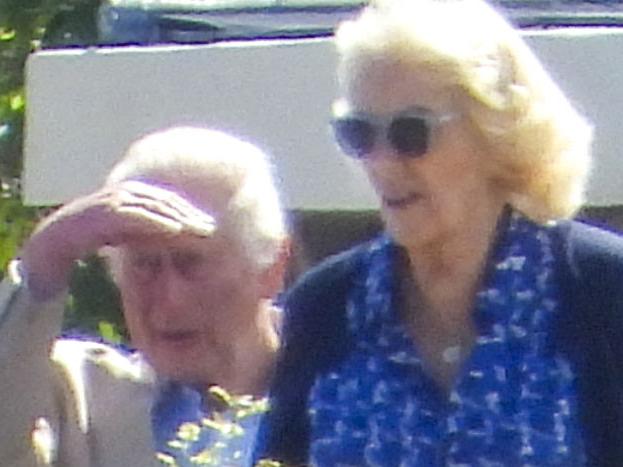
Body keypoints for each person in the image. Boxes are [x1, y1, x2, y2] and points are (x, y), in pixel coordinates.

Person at [257, 0, 623, 465]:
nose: (382, 162)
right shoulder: (326, 308)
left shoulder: (602, 291)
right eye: (359, 134)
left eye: (411, 133)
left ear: (496, 132)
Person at [0, 126, 289, 466]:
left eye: (191, 264)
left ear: (270, 268)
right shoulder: (80, 398)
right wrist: (46, 258)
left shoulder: (343, 393)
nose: (171, 298)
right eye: (145, 266)